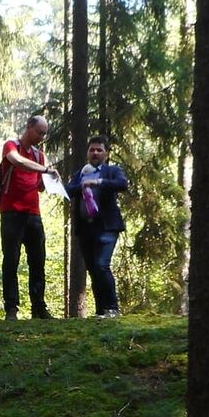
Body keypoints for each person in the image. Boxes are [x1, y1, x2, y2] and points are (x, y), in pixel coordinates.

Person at [0, 115, 59, 320]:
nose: (41, 137)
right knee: (11, 260)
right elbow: (18, 162)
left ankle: (39, 307)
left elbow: (40, 185)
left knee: (38, 260)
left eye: (44, 134)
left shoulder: (40, 156)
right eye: (39, 132)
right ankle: (11, 308)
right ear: (28, 127)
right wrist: (45, 170)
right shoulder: (11, 146)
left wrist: (49, 181)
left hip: (33, 214)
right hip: (11, 212)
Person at [66, 136, 130, 317]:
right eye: (92, 150)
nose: (95, 153)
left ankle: (113, 308)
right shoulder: (80, 173)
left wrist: (98, 182)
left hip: (107, 227)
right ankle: (102, 311)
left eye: (99, 150)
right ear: (87, 152)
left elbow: (122, 184)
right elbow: (69, 190)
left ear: (106, 153)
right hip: (86, 229)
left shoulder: (112, 171)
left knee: (102, 265)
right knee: (94, 270)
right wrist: (80, 185)